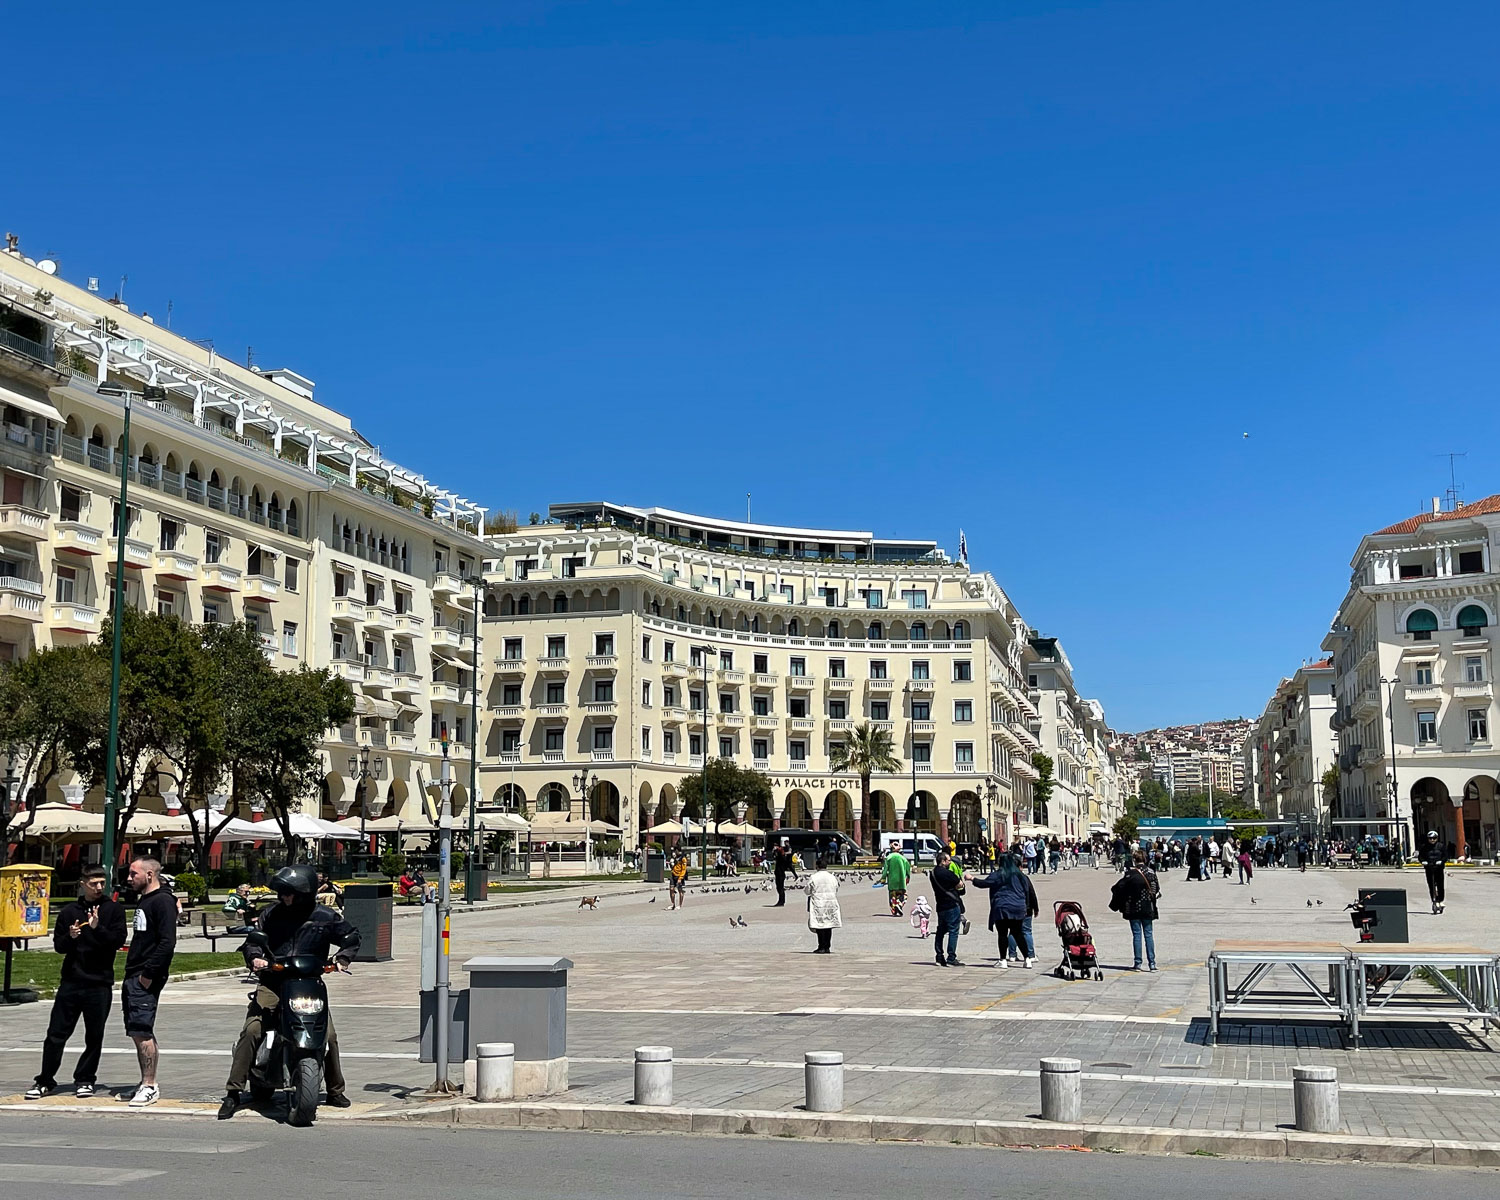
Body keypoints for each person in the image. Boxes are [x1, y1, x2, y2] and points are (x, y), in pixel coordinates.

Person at [218, 864, 361, 1119]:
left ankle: (335, 1089)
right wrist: (255, 959)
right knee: (252, 1030)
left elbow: (350, 935)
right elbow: (253, 942)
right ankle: (233, 1092)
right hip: (273, 982)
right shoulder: (271, 914)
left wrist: (342, 958)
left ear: (304, 893)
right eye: (281, 892)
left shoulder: (325, 917)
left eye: (288, 892)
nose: (283, 897)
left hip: (308, 983)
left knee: (328, 1036)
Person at [25, 867, 127, 1100]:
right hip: (71, 982)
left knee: (94, 1035)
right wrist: (70, 937)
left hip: (99, 983)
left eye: (102, 882)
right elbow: (59, 946)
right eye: (94, 883)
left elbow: (117, 941)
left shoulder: (113, 910)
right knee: (56, 1034)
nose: (99, 887)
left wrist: (96, 928)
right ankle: (45, 1080)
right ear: (82, 884)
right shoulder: (70, 911)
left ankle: (85, 1079)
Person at [119, 856, 177, 1107]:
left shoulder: (162, 901)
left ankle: (150, 1084)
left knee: (141, 1031)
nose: (129, 878)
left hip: (145, 976)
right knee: (137, 1030)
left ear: (150, 875)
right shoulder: (149, 899)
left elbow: (167, 942)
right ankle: (146, 1081)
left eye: (134, 874)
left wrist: (148, 975)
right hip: (134, 973)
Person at [971, 852, 1038, 968]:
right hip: (1018, 907)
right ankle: (1027, 959)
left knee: (1002, 933)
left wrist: (971, 878)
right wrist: (1030, 906)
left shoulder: (998, 874)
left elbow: (983, 883)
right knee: (1018, 933)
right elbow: (1028, 891)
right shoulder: (1020, 875)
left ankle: (1003, 960)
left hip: (1002, 907)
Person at [1110, 851, 1161, 971]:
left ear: (1134, 860)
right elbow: (1156, 889)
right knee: (1149, 935)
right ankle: (1152, 963)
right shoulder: (1151, 872)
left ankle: (1138, 963)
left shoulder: (1130, 874)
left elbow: (1118, 888)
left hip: (1133, 908)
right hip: (1148, 907)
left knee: (1137, 935)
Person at [929, 851, 965, 967]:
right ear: (943, 861)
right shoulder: (948, 873)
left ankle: (939, 956)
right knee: (953, 931)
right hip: (951, 904)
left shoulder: (933, 873)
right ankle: (951, 957)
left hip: (940, 905)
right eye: (948, 860)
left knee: (940, 930)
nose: (950, 862)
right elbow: (960, 884)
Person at [805, 855, 841, 953]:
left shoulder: (814, 877)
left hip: (818, 902)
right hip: (830, 902)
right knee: (828, 925)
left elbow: (807, 891)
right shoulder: (832, 877)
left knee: (820, 925)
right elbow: (836, 888)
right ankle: (827, 947)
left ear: (817, 866)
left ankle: (821, 946)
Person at [881, 846, 912, 917]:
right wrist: (908, 877)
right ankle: (899, 904)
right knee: (903, 895)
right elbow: (908, 869)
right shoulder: (903, 858)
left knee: (892, 896)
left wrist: (883, 878)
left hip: (892, 881)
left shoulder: (888, 858)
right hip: (901, 881)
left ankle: (894, 909)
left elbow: (885, 870)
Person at [1422, 829, 1446, 914]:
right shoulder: (1424, 847)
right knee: (1431, 885)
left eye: (1434, 838)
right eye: (1430, 838)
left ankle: (1441, 900)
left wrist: (1442, 861)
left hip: (1439, 868)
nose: (1432, 840)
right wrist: (1423, 861)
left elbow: (1445, 856)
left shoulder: (1441, 846)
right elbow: (1421, 856)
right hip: (1429, 868)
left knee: (1440, 885)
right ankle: (1434, 900)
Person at [772, 841, 795, 907]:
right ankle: (781, 901)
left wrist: (777, 852)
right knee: (779, 887)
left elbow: (779, 857)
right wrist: (775, 852)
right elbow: (775, 856)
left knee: (780, 888)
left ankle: (781, 901)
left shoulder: (781, 857)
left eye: (776, 846)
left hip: (780, 874)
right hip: (779, 873)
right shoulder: (780, 856)